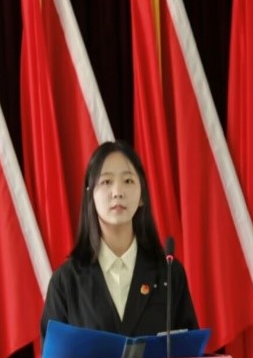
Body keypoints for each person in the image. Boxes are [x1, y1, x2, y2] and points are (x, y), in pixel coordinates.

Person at [40, 141, 198, 340]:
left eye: (128, 181)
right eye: (106, 182)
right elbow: (52, 357)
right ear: (90, 195)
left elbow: (191, 352)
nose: (118, 192)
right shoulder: (66, 282)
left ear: (142, 195)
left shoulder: (169, 274)